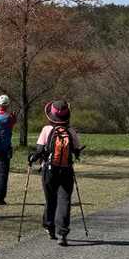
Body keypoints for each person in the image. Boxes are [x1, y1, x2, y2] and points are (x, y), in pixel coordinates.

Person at [30, 99, 84, 247]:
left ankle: (49, 227)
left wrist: (32, 158)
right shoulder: (71, 131)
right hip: (66, 170)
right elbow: (76, 149)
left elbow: (39, 151)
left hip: (49, 170)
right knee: (64, 201)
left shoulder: (46, 130)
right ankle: (62, 233)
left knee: (50, 199)